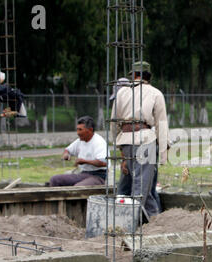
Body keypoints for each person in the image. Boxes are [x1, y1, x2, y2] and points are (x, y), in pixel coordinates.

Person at [110, 61, 169, 218]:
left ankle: (155, 221)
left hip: (126, 140)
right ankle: (129, 223)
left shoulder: (122, 93)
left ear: (134, 75)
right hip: (145, 140)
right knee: (141, 187)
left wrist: (118, 144)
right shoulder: (155, 93)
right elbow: (161, 124)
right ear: (149, 76)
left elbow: (114, 121)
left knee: (144, 188)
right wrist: (163, 152)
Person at [49, 116, 108, 187]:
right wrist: (66, 154)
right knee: (55, 179)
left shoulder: (99, 142)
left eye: (80, 130)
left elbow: (104, 162)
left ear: (90, 130)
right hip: (83, 174)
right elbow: (67, 150)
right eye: (77, 129)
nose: (78, 133)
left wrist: (84, 161)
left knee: (78, 187)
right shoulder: (80, 140)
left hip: (98, 176)